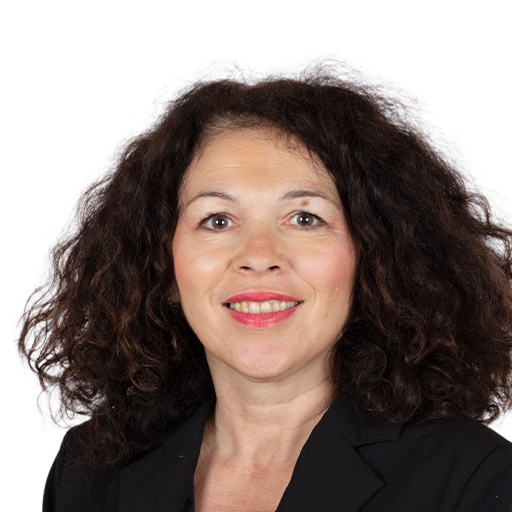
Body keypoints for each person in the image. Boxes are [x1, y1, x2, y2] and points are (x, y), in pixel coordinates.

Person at [19, 68, 512, 511]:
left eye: (304, 218)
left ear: (375, 259)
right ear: (162, 266)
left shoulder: (478, 481)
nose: (258, 255)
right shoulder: (89, 472)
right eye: (217, 220)